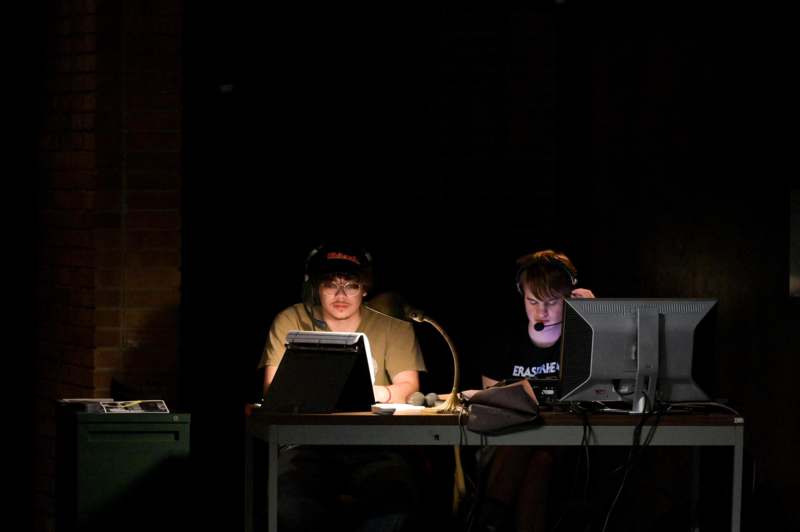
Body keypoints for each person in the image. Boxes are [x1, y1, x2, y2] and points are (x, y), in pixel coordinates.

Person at [258, 242, 428, 532]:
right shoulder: (291, 320)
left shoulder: (392, 325)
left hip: (374, 445)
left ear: (364, 288)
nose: (340, 295)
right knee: (289, 502)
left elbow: (409, 386)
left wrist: (372, 393)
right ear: (315, 287)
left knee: (394, 499)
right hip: (307, 445)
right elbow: (273, 388)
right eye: (330, 284)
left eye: (351, 285)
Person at [471, 249, 594, 532]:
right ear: (521, 295)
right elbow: (496, 407)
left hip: (569, 444)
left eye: (552, 302)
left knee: (539, 452)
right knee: (538, 458)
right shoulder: (502, 341)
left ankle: (488, 519)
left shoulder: (582, 337)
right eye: (533, 301)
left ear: (569, 297)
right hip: (510, 443)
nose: (542, 312)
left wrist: (594, 321)